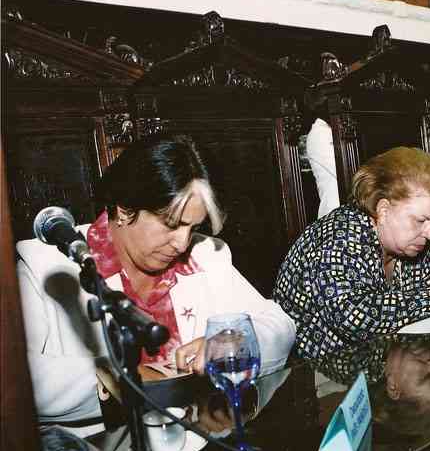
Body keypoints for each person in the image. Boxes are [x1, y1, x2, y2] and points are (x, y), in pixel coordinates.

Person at [16, 134, 296, 435]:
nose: (182, 242)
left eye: (194, 227)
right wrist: (125, 379)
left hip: (196, 450)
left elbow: (281, 326)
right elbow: (14, 379)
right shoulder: (43, 267)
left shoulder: (206, 256)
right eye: (172, 224)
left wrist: (235, 343)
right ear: (124, 210)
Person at [274, 146, 430, 359]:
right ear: (383, 211)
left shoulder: (409, 244)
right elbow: (354, 318)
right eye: (420, 220)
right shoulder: (339, 238)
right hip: (318, 379)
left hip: (383, 364)